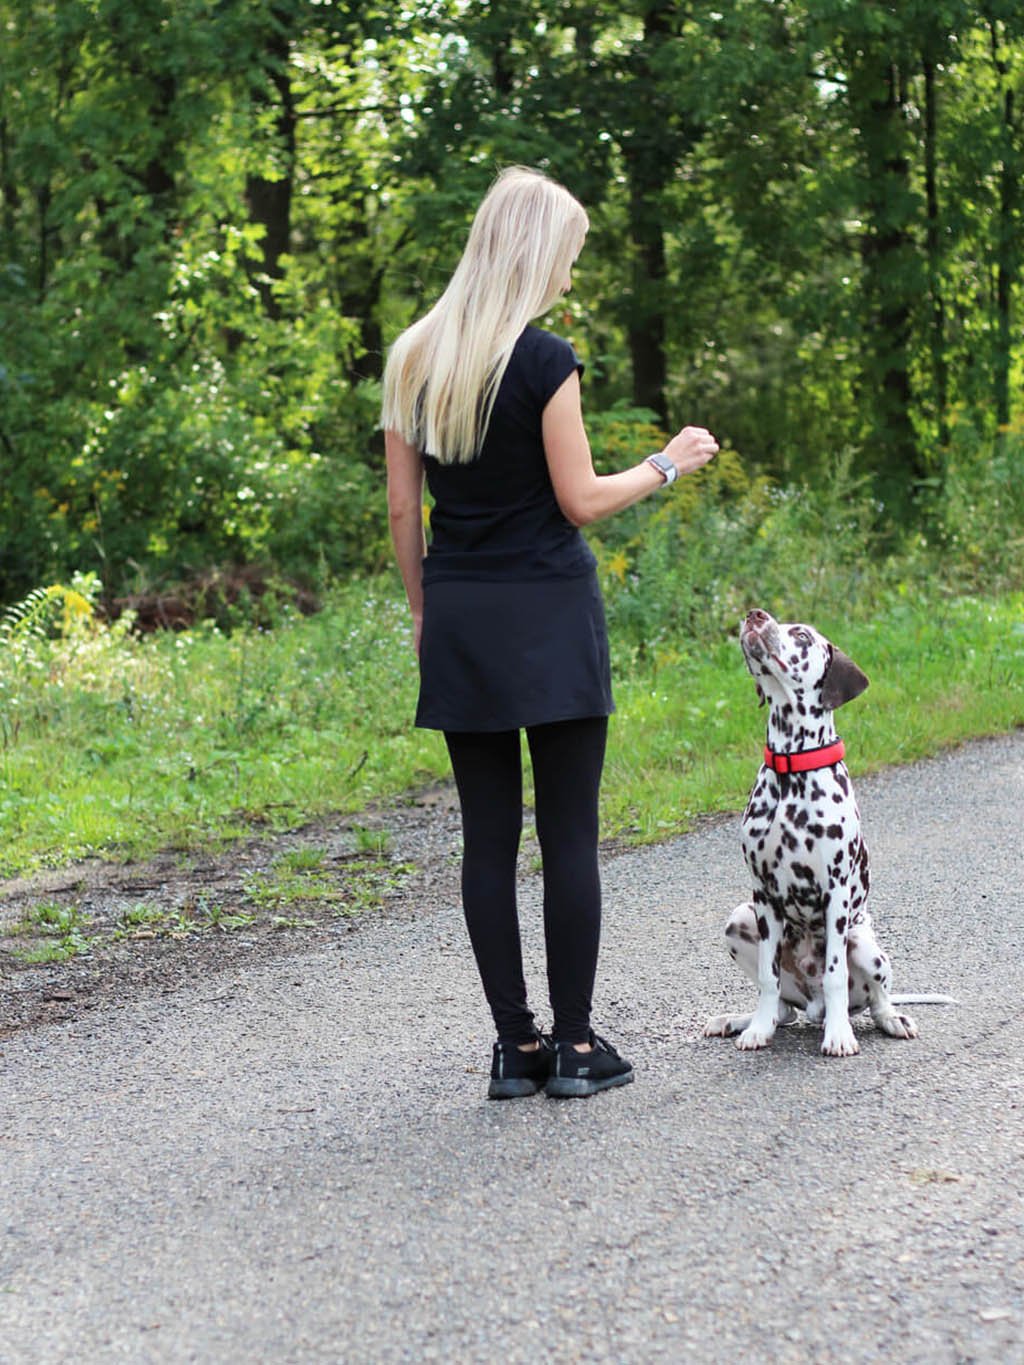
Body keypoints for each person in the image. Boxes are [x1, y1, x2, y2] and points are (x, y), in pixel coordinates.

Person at [382, 166, 718, 1100]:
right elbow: (579, 499)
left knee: (486, 839)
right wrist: (667, 460)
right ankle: (574, 1047)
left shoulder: (414, 357)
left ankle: (513, 1048)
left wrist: (422, 608)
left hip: (460, 615)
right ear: (535, 255)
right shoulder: (544, 359)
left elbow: (405, 511)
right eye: (567, 259)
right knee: (569, 833)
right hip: (550, 616)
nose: (569, 278)